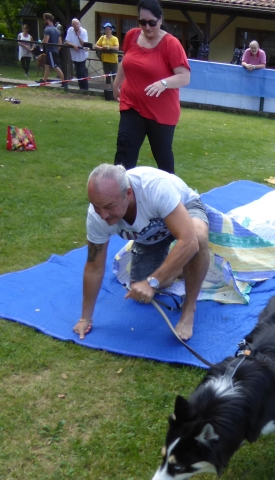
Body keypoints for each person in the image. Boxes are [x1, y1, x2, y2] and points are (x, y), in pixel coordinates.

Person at [76, 164, 210, 341]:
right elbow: (94, 267)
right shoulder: (98, 215)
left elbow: (190, 241)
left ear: (129, 194)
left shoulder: (155, 188)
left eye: (109, 206)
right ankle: (181, 265)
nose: (103, 215)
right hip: (150, 236)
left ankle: (189, 309)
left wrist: (152, 281)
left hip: (183, 210)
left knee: (197, 238)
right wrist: (85, 318)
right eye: (96, 206)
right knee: (138, 291)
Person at [113, 0, 191, 172]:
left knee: (163, 158)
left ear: (160, 20)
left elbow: (185, 77)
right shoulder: (132, 36)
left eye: (152, 23)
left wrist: (164, 83)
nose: (147, 27)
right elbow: (126, 63)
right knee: (124, 153)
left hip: (161, 112)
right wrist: (117, 84)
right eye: (142, 22)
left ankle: (171, 196)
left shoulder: (171, 44)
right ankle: (118, 195)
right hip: (131, 104)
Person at [95, 22, 120, 101]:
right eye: (106, 29)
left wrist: (108, 48)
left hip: (113, 60)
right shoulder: (102, 37)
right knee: (107, 77)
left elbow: (117, 48)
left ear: (111, 30)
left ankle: (117, 94)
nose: (107, 31)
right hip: (105, 60)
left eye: (109, 29)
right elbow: (96, 45)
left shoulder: (115, 38)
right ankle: (109, 94)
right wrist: (102, 48)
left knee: (115, 77)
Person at [64, 19, 89, 90]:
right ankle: (81, 87)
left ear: (79, 24)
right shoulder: (70, 30)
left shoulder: (84, 31)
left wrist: (78, 36)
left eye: (77, 24)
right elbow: (66, 42)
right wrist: (73, 45)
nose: (75, 26)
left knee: (82, 71)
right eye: (74, 24)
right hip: (74, 55)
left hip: (82, 55)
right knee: (77, 73)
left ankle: (85, 88)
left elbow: (84, 44)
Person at [41, 13, 65, 84]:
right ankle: (44, 80)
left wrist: (41, 43)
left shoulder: (47, 29)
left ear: (47, 20)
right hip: (54, 51)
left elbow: (46, 41)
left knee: (55, 66)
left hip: (50, 51)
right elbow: (60, 42)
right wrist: (57, 50)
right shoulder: (56, 30)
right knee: (47, 66)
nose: (44, 21)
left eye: (44, 19)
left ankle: (64, 81)